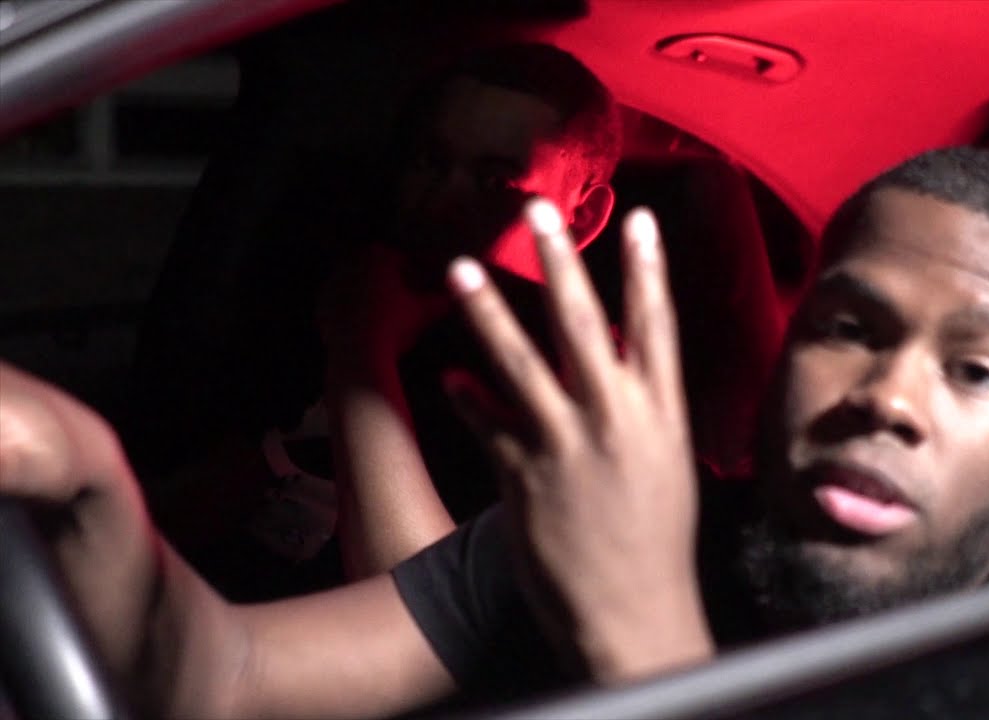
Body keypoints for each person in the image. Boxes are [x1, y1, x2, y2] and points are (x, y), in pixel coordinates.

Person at [0, 147, 989, 717]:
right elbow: (223, 676)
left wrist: (640, 638)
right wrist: (81, 468)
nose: (888, 398)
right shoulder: (629, 518)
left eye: (975, 370)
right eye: (849, 330)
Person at [130, 42, 623, 593]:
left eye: (494, 183)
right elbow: (169, 520)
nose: (440, 203)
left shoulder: (589, 399)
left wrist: (361, 353)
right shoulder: (333, 294)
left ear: (581, 217)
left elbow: (431, 611)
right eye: (429, 163)